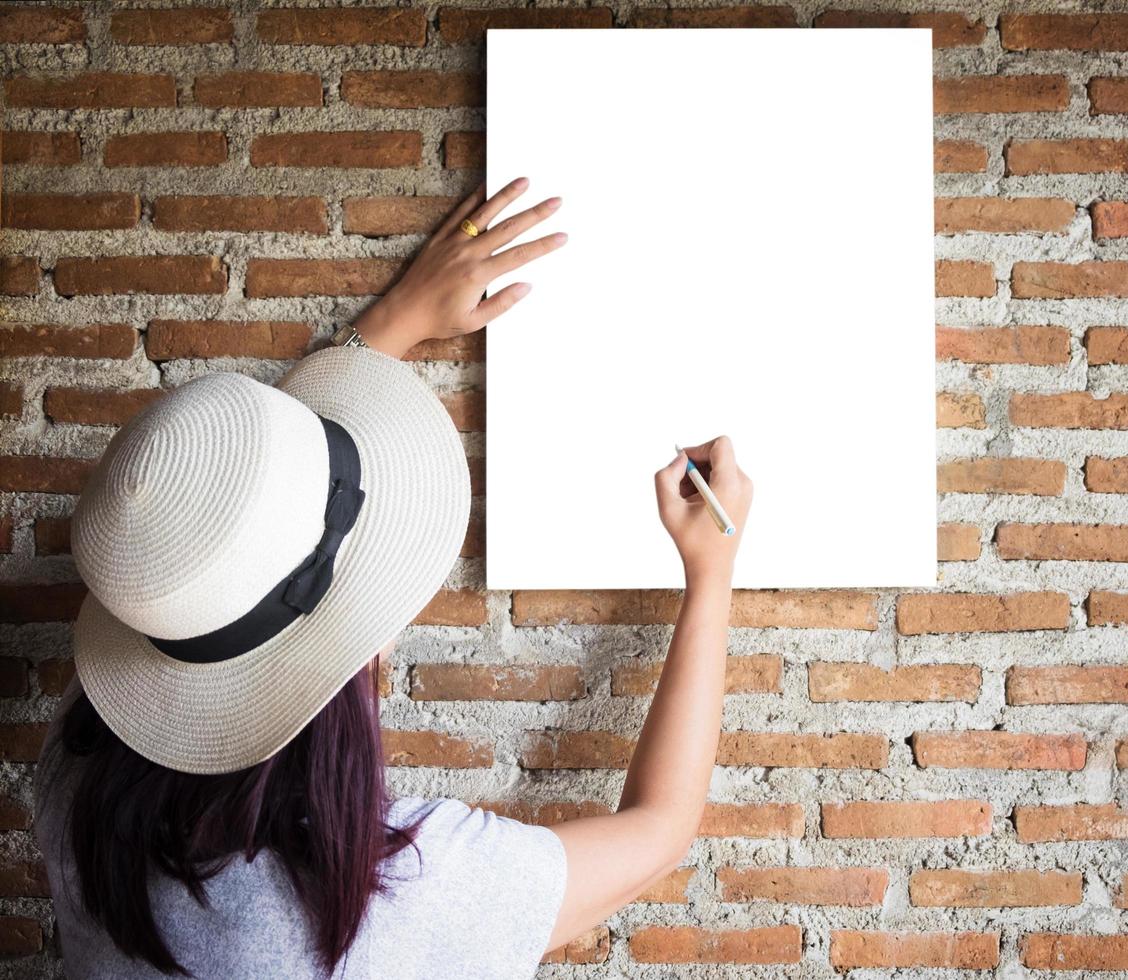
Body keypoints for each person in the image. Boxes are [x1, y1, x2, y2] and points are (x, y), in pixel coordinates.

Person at [34, 176, 753, 979]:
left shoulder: (74, 786)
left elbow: (210, 543)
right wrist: (711, 574)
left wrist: (391, 324)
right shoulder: (395, 895)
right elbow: (659, 828)